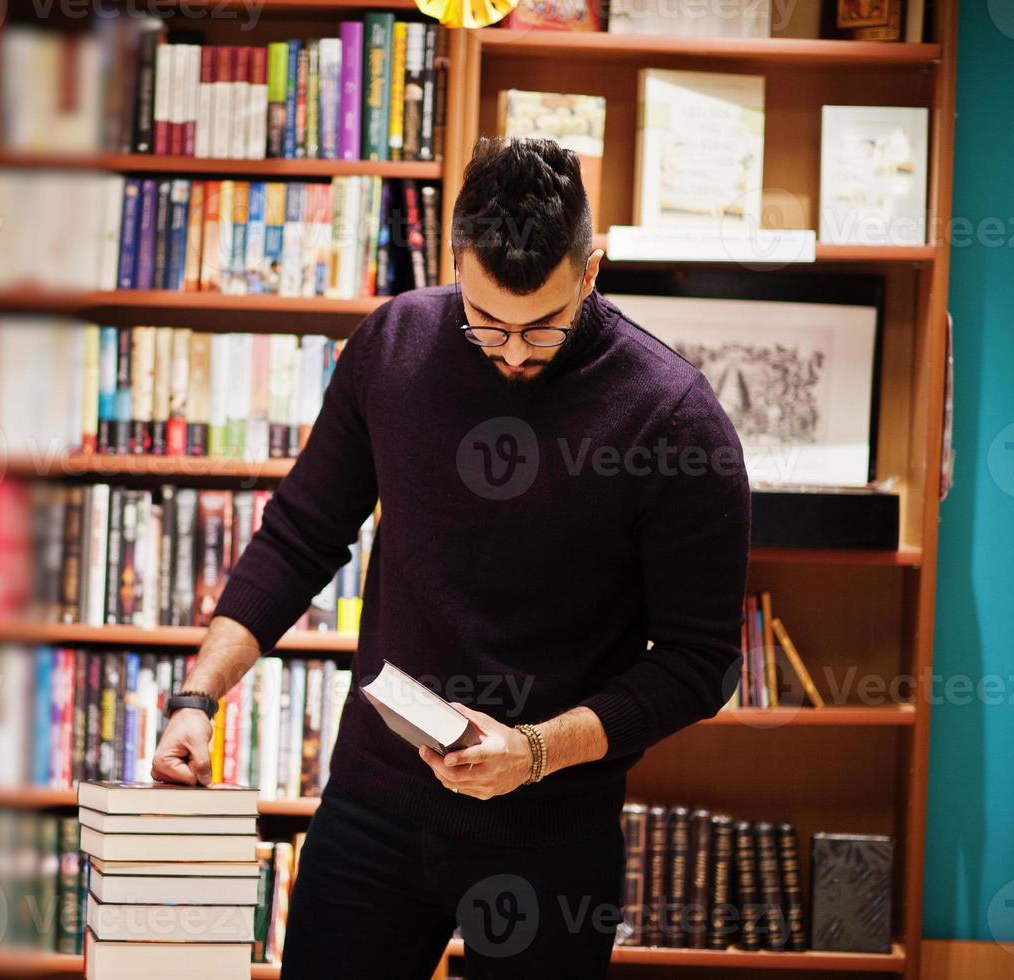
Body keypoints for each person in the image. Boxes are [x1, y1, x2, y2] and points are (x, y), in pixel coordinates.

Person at [150, 137, 751, 978]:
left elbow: (699, 664)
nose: (508, 352)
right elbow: (300, 534)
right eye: (485, 322)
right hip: (371, 807)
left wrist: (533, 751)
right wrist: (196, 698)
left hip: (552, 839)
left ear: (591, 271)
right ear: (454, 261)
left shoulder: (673, 419)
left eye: (540, 328)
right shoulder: (393, 345)